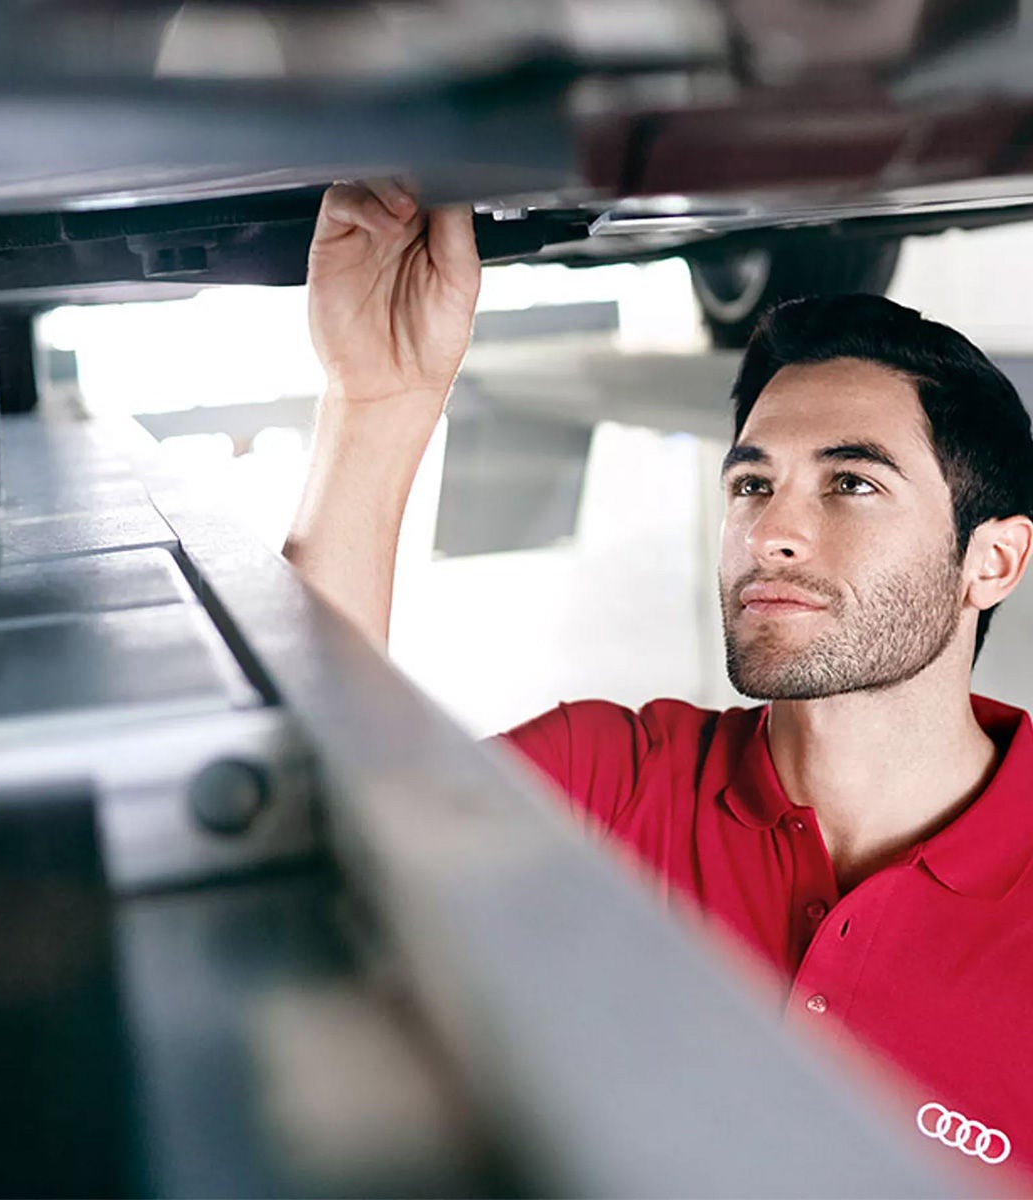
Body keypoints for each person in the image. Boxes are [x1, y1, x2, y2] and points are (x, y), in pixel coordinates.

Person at [284, 182, 1033, 1179]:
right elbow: (297, 843)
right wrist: (377, 402)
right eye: (751, 483)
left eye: (851, 484)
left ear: (994, 562)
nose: (772, 531)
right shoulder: (611, 784)